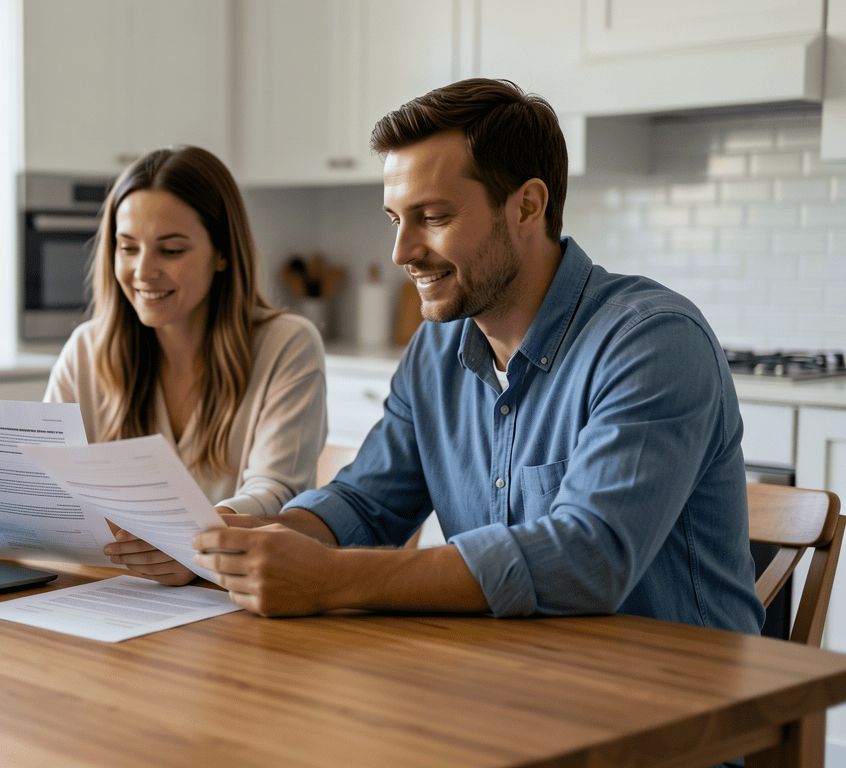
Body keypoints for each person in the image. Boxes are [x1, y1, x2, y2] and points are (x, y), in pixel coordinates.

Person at [193, 78, 765, 638]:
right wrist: (252, 540)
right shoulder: (436, 348)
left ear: (527, 206)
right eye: (396, 220)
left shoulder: (653, 342)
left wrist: (331, 579)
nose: (401, 252)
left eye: (434, 218)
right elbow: (366, 504)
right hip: (520, 684)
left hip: (688, 706)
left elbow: (589, 556)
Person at [0, 145, 328, 586]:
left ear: (223, 254)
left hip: (234, 608)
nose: (143, 271)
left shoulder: (287, 345)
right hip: (115, 599)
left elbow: (279, 494)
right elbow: (48, 494)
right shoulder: (86, 350)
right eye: (128, 247)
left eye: (171, 250)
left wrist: (194, 544)